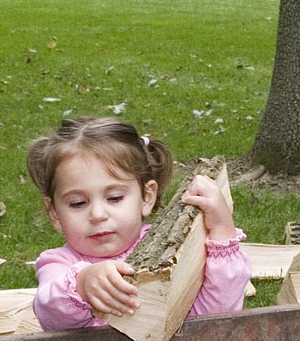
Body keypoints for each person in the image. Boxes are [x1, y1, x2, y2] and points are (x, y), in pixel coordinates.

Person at [27, 117, 251, 330]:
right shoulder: (58, 264)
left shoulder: (172, 251)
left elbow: (216, 317)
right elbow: (49, 312)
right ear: (54, 213)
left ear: (146, 197)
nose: (97, 214)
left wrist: (222, 232)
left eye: (114, 198)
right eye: (78, 203)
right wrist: (83, 284)